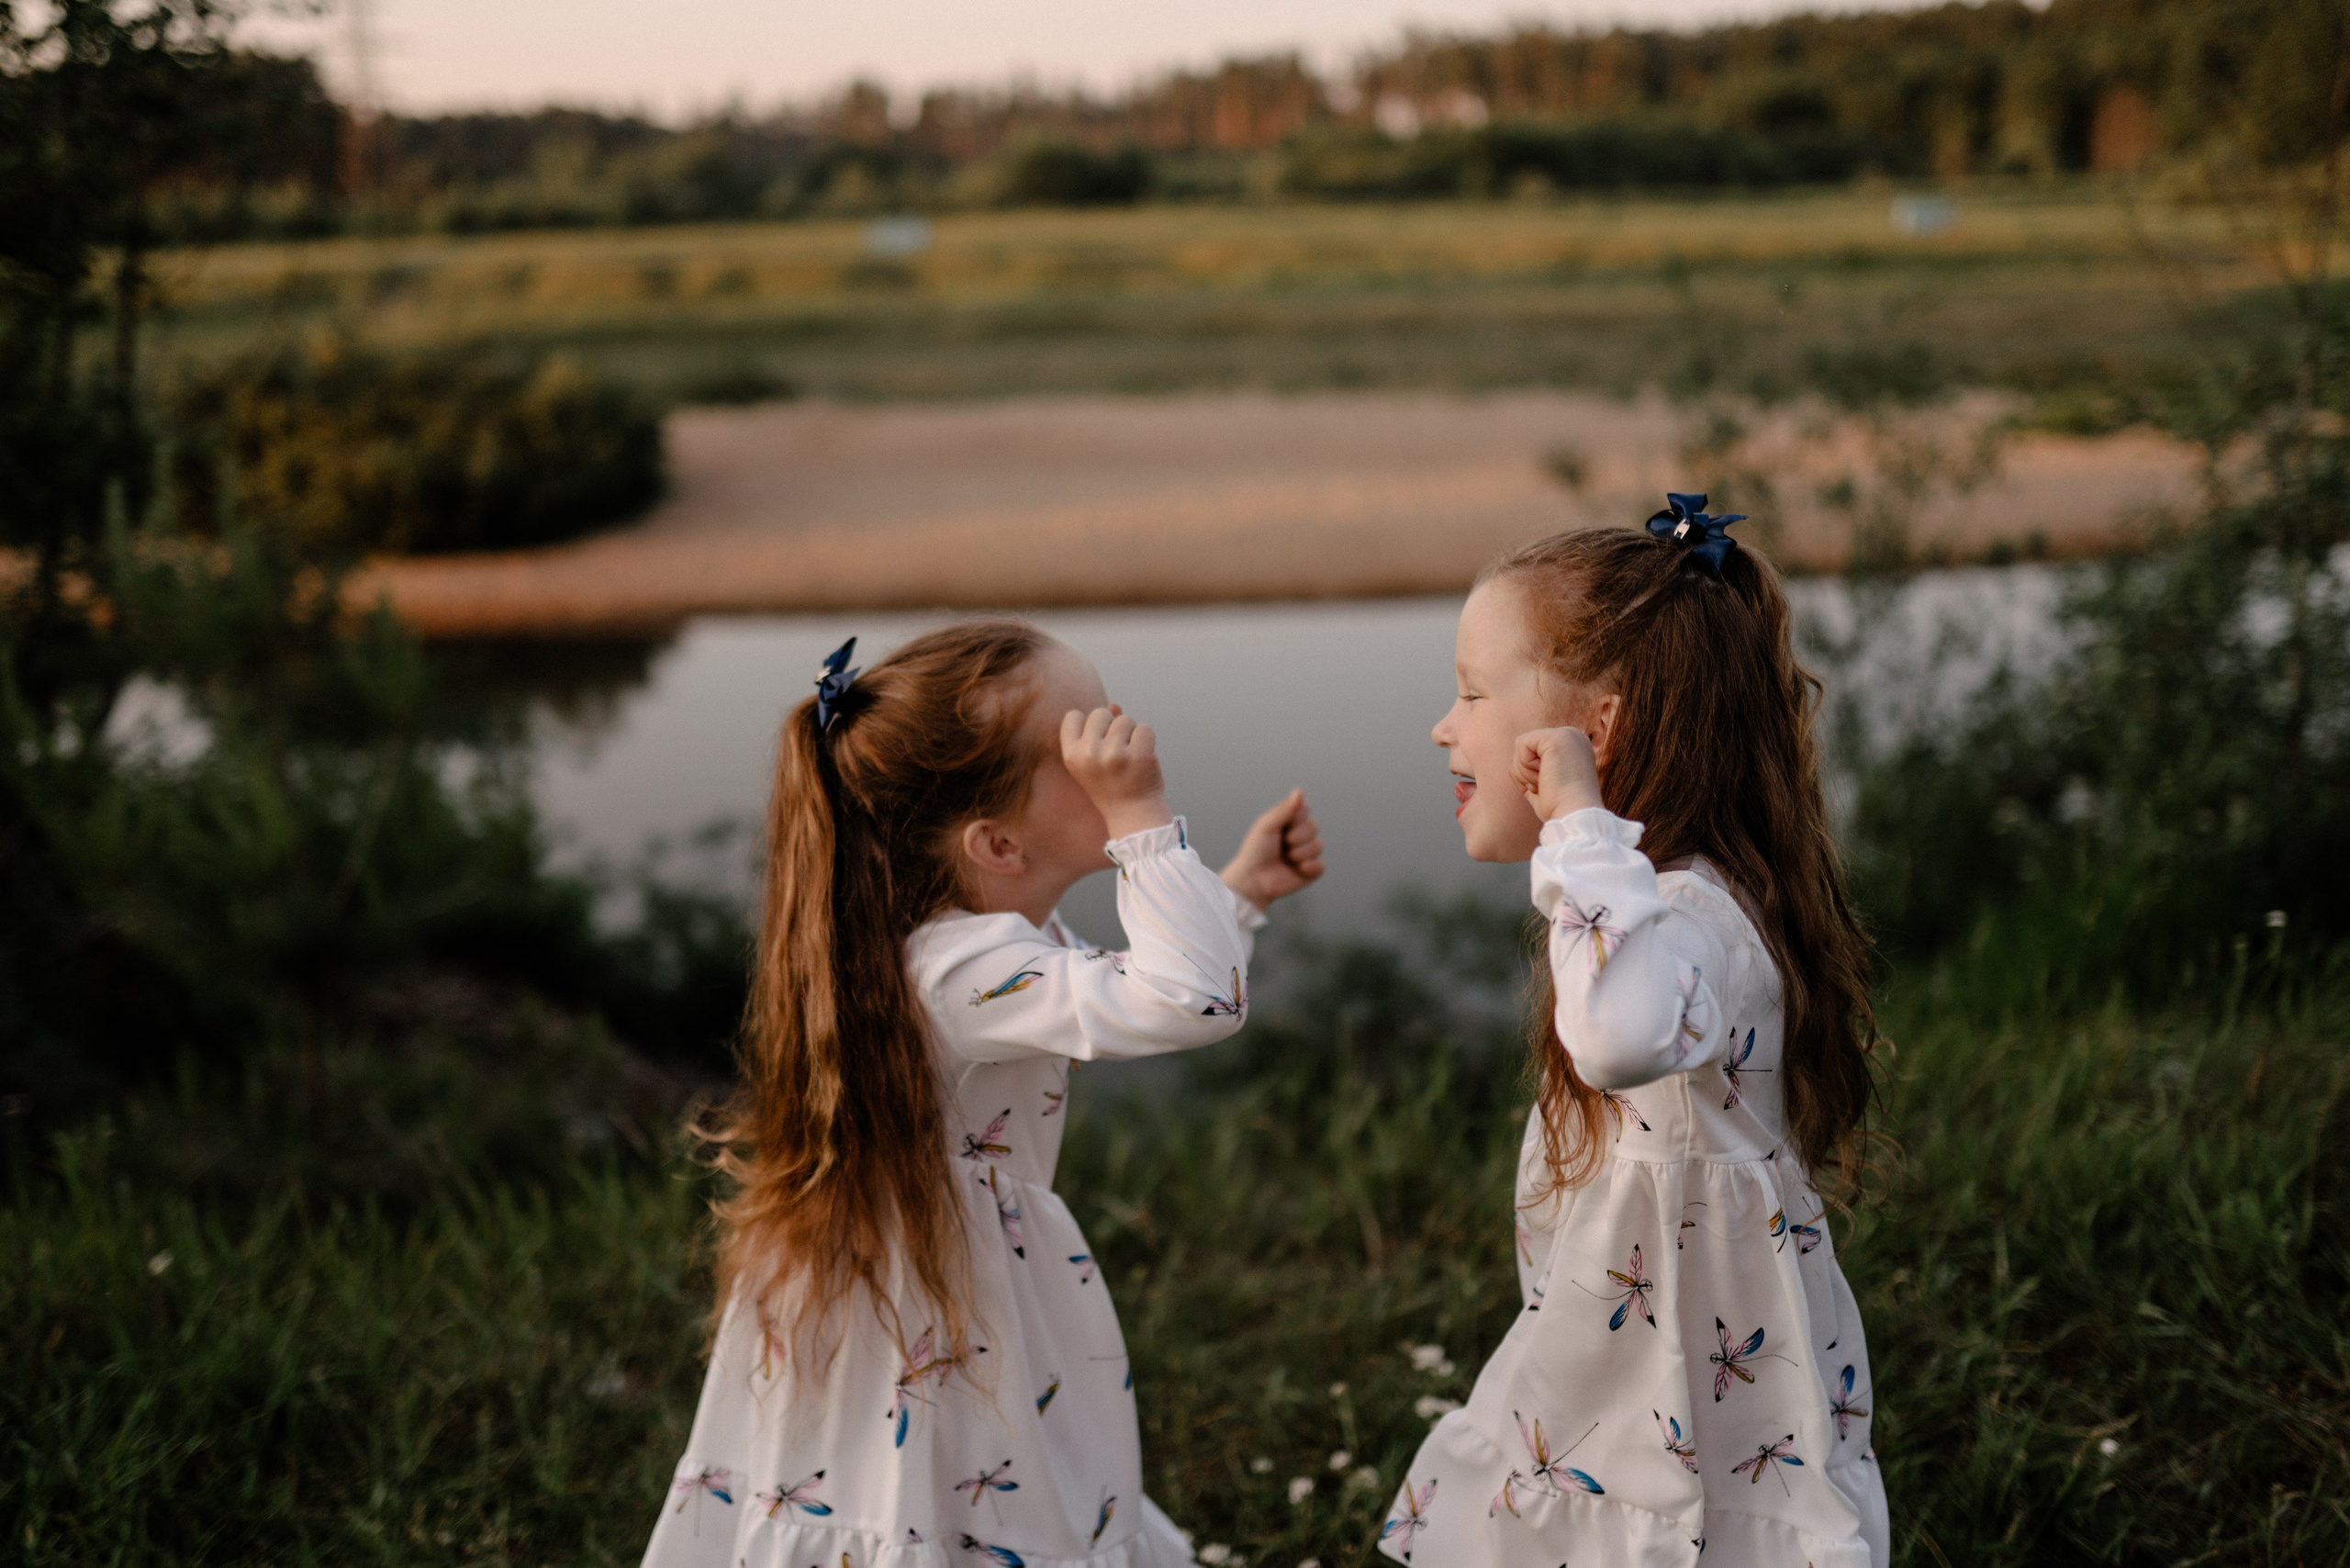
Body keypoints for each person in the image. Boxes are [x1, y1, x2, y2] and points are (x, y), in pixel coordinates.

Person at [642, 618, 1324, 1568]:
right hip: (939, 1297)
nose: (1119, 748)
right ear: (998, 842)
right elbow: (1192, 997)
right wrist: (1143, 820)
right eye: (1081, 740)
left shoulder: (959, 946)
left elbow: (1134, 994)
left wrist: (1238, 892)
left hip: (917, 1276)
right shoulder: (966, 964)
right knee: (942, 1500)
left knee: (933, 1491)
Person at [1379, 498, 1887, 1567]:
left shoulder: (1684, 914)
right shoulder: (1664, 904)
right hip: (1644, 1366)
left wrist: (1576, 824)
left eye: (1473, 692)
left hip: (1681, 1387)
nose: (1443, 724)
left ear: (1594, 731)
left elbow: (1614, 1037)